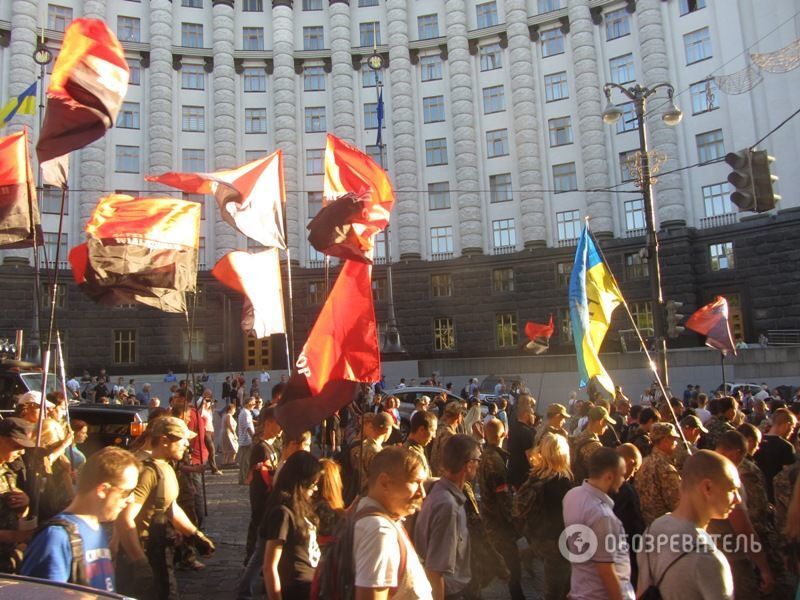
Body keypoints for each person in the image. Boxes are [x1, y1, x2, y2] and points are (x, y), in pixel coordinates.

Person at [115, 417, 215, 600]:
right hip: (144, 552)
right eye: (182, 439)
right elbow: (125, 519)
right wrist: (139, 561)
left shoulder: (166, 467)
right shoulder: (147, 471)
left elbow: (171, 507)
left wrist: (195, 535)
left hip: (160, 550)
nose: (187, 444)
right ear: (164, 440)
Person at [21, 447, 140, 592]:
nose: (131, 499)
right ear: (103, 490)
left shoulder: (96, 528)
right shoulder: (56, 537)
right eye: (127, 492)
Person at [637, 451, 740, 599]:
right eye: (732, 490)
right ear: (707, 488)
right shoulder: (708, 560)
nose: (738, 499)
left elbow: (642, 592)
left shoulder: (653, 530)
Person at [352, 446, 431, 599]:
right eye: (416, 482)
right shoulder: (378, 532)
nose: (423, 493)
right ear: (385, 482)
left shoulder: (371, 519)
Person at [563, 447, 634, 600]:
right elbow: (606, 572)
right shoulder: (602, 516)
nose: (623, 480)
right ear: (609, 477)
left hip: (580, 587)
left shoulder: (571, 495)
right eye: (622, 475)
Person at [415, 434, 480, 600]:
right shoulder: (448, 506)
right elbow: (435, 572)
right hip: (448, 593)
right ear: (469, 465)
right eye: (478, 460)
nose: (479, 465)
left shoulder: (438, 490)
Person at [709, 431, 774, 596]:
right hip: (732, 558)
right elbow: (743, 529)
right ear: (736, 453)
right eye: (742, 457)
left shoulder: (698, 472)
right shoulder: (729, 481)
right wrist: (764, 568)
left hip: (703, 554)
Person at [515, 433, 573, 600]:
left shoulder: (534, 477)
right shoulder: (562, 483)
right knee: (556, 591)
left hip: (537, 537)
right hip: (557, 543)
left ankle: (527, 554)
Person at [261, 451, 322, 600]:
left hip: (310, 586)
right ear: (301, 482)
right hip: (294, 589)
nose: (316, 489)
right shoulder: (282, 513)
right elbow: (270, 566)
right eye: (313, 484)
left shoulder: (301, 507)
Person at [479, 418, 524, 600]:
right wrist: (513, 521)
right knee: (512, 566)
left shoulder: (485, 456)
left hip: (490, 517)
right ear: (504, 435)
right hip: (499, 522)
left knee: (496, 563)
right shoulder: (496, 461)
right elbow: (502, 497)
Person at [245, 407, 282, 566]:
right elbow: (264, 476)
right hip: (261, 498)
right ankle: (250, 562)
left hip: (267, 498)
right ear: (268, 423)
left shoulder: (274, 445)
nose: (282, 427)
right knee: (258, 532)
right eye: (279, 423)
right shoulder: (260, 448)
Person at [0, 418, 35, 573]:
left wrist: (24, 503)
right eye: (16, 446)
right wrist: (15, 537)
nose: (22, 452)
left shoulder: (8, 471)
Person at [635, 422, 681, 526]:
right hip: (666, 526)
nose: (676, 444)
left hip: (646, 526)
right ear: (665, 441)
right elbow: (677, 504)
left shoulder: (643, 462)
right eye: (674, 440)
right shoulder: (666, 468)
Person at [611, 444, 644, 585]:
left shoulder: (599, 482)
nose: (634, 473)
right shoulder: (627, 492)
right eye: (635, 468)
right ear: (630, 463)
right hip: (622, 556)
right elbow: (633, 527)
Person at [754, 407, 797, 502]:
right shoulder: (786, 447)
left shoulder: (758, 442)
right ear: (786, 425)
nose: (792, 431)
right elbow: (790, 476)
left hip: (758, 493)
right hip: (777, 495)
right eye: (792, 427)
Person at [572, 405, 615, 483]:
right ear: (601, 421)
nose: (607, 427)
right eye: (606, 423)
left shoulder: (579, 437)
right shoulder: (595, 447)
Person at [508, 393, 537, 488]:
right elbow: (532, 459)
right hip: (524, 479)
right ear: (526, 414)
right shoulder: (527, 432)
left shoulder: (514, 428)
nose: (534, 416)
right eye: (532, 414)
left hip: (513, 476)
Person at [429, 401, 463, 478]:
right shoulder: (451, 435)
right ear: (458, 416)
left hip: (434, 472)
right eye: (462, 414)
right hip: (444, 477)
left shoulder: (439, 428)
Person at [404, 410, 437, 476]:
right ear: (421, 429)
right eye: (433, 430)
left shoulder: (417, 449)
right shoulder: (413, 455)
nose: (434, 436)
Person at [199, 393, 222, 475]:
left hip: (210, 431)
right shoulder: (202, 411)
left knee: (211, 451)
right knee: (211, 450)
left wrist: (211, 403)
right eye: (208, 402)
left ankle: (212, 467)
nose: (210, 403)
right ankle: (214, 469)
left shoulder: (208, 411)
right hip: (206, 432)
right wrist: (203, 400)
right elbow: (200, 408)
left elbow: (212, 408)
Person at [237, 398, 256, 485]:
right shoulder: (245, 413)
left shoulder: (245, 412)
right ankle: (244, 479)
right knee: (245, 462)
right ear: (248, 403)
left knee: (245, 461)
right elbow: (248, 427)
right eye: (253, 403)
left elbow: (250, 423)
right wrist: (254, 438)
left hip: (245, 440)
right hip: (246, 440)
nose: (254, 405)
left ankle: (244, 478)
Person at [220, 402, 238, 466]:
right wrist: (234, 434)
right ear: (230, 409)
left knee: (227, 448)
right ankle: (230, 460)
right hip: (228, 433)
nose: (235, 411)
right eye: (234, 409)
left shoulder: (225, 415)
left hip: (226, 432)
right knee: (233, 447)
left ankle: (226, 461)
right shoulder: (228, 416)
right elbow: (229, 425)